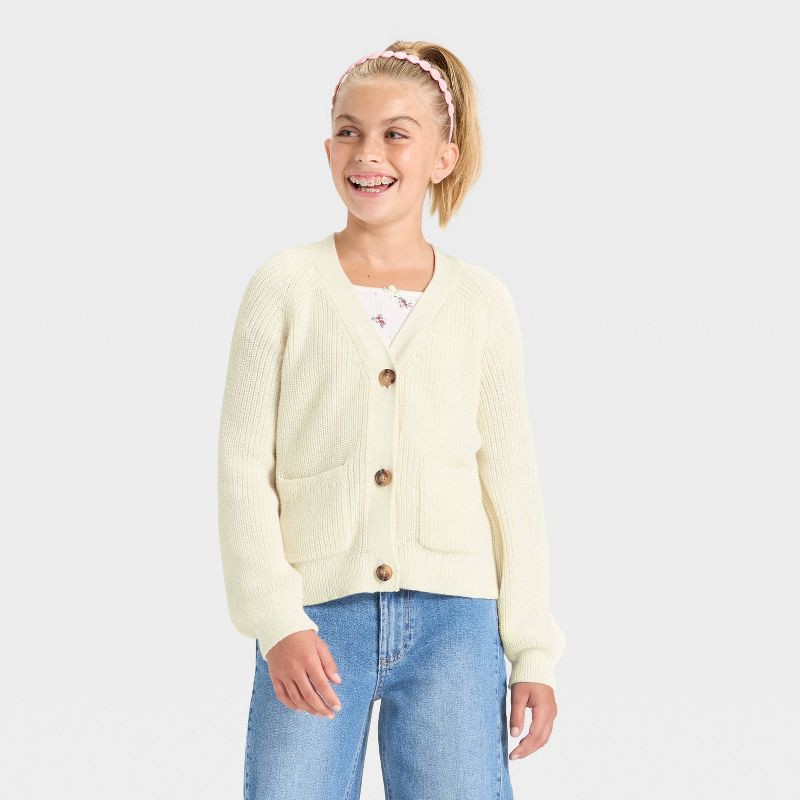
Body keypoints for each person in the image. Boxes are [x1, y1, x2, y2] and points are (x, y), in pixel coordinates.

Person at [217, 40, 567, 800]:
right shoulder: (285, 285)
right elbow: (244, 468)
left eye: (395, 134)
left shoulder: (482, 302)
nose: (367, 152)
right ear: (327, 149)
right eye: (349, 131)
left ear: (443, 157)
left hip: (457, 628)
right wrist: (276, 619)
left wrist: (532, 650)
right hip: (314, 621)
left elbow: (510, 483)